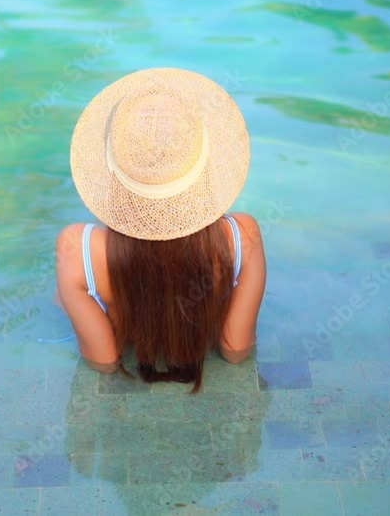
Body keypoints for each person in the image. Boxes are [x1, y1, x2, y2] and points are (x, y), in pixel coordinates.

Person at [55, 67, 266, 392]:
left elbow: (104, 360)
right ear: (203, 165)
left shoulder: (78, 249)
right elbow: (235, 350)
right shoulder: (242, 237)